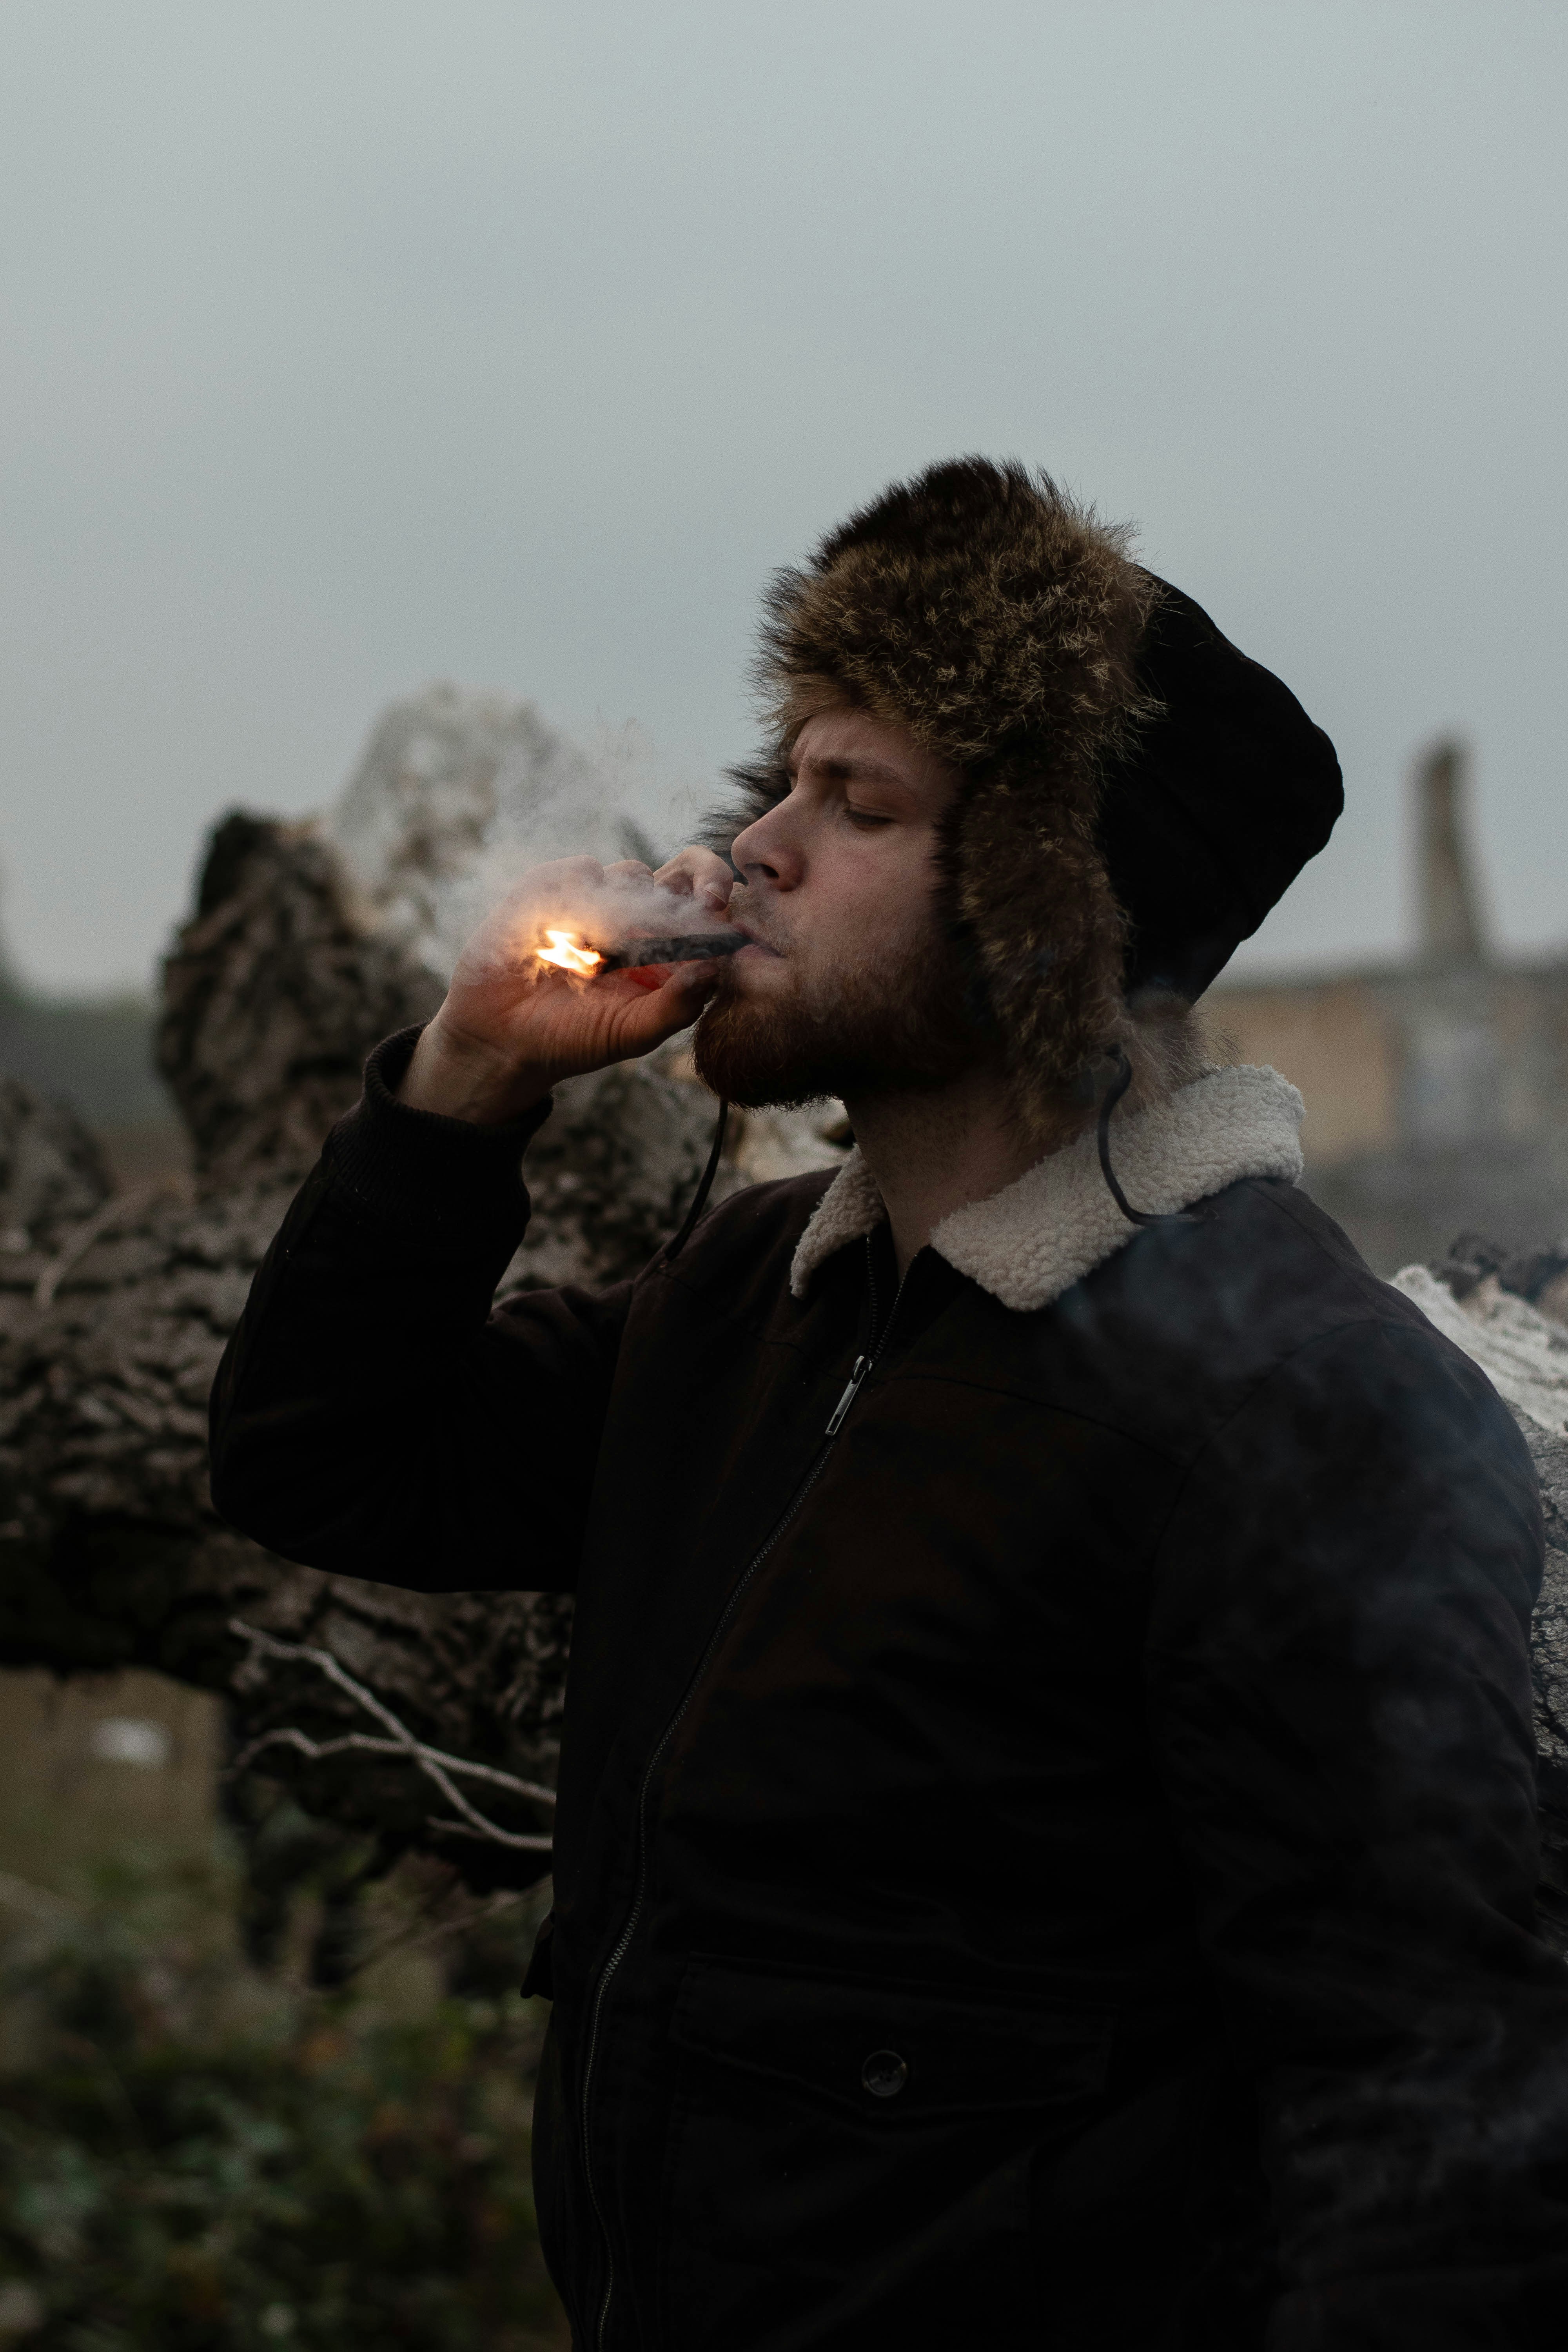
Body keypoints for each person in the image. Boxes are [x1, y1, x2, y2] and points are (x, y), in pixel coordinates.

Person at [210, 460, 1568, 2349]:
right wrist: (466, 1076)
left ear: (1045, 920)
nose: (751, 844)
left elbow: (1425, 2138)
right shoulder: (754, 1298)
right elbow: (323, 1462)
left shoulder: (1287, 1411)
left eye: (855, 803)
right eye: (777, 778)